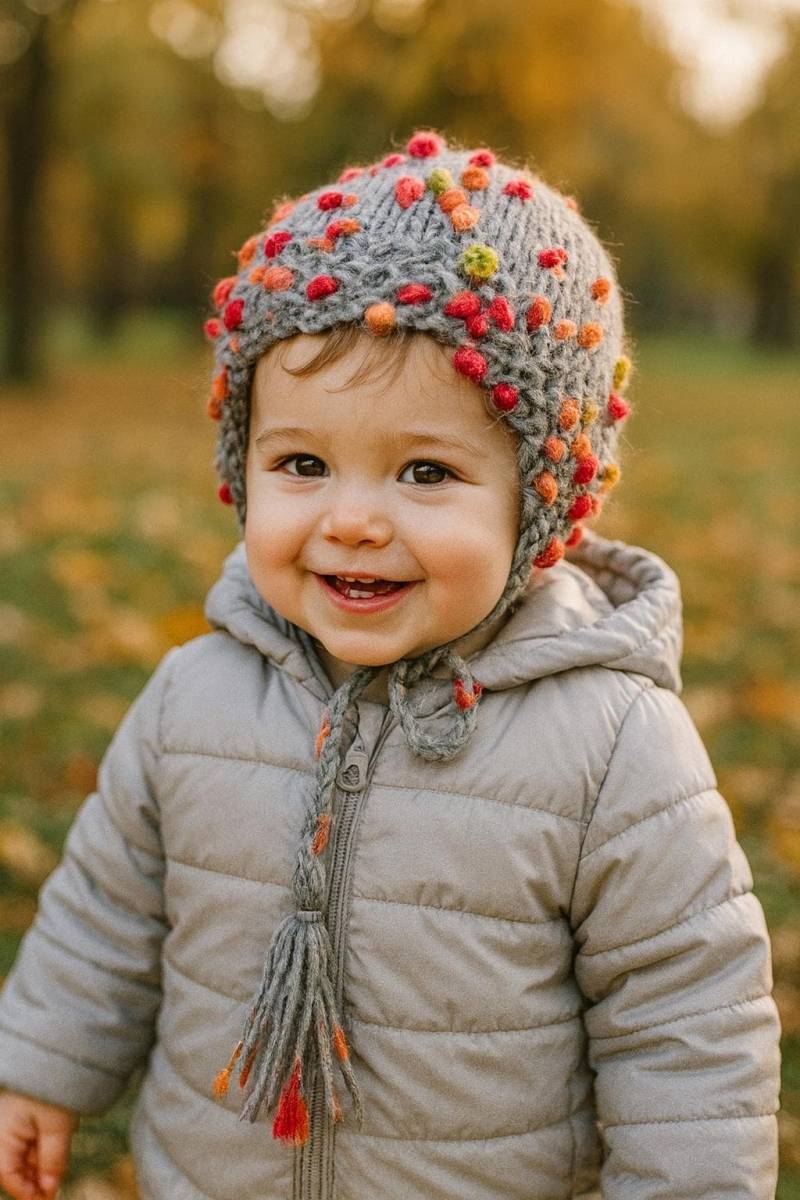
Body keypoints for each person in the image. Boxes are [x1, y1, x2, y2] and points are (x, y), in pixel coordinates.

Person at [0, 129, 781, 1200]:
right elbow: (107, 913)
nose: (352, 520)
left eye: (424, 470)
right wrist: (39, 1072)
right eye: (303, 464)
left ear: (538, 498)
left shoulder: (610, 749)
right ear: (244, 464)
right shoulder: (194, 696)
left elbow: (683, 1024)